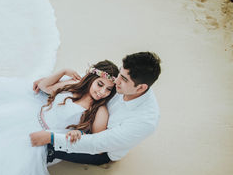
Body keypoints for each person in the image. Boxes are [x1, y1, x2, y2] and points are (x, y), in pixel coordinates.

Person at [30, 51, 161, 165]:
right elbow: (99, 78)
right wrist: (57, 80)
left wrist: (51, 138)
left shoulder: (144, 122)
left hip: (102, 150)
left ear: (141, 88)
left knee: (40, 149)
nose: (117, 81)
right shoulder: (123, 83)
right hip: (85, 124)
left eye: (124, 79)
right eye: (120, 74)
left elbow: (98, 144)